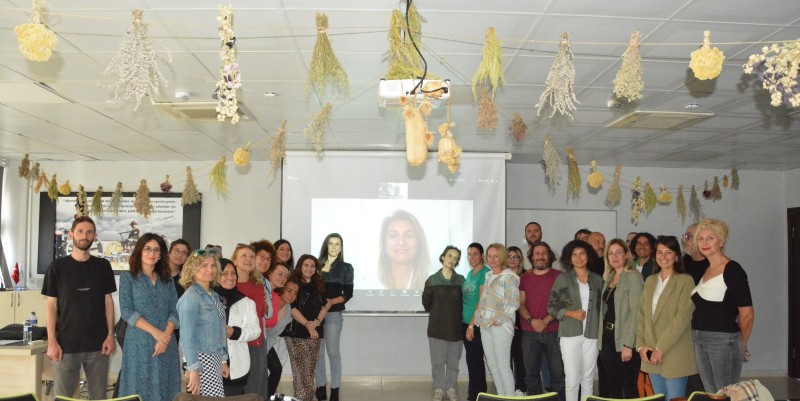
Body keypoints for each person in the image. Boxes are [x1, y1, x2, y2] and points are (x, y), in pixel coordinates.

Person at [42, 216, 116, 400]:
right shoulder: (56, 267)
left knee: (99, 397)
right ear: (71, 234)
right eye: (80, 231)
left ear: (94, 237)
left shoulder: (103, 266)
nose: (85, 236)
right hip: (65, 345)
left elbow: (108, 301)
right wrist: (51, 341)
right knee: (63, 397)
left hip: (98, 345)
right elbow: (51, 305)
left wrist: (110, 335)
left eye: (89, 232)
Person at [691, 219, 754, 393]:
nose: (704, 242)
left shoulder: (733, 270)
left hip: (723, 340)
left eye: (710, 238)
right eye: (700, 238)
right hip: (699, 337)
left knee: (726, 392)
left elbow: (747, 314)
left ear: (721, 241)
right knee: (712, 393)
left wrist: (741, 344)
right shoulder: (707, 269)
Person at [118, 234, 180, 401]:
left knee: (166, 387)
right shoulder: (128, 278)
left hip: (166, 344)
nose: (152, 253)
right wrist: (156, 333)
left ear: (161, 254)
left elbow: (175, 311)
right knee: (138, 387)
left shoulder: (167, 280)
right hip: (139, 344)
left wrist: (164, 337)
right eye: (147, 249)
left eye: (156, 250)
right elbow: (127, 311)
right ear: (139, 251)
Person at [637, 236, 697, 401]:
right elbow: (641, 316)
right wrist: (641, 346)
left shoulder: (685, 281)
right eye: (659, 252)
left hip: (674, 350)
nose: (663, 256)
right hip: (650, 351)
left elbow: (682, 318)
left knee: (674, 398)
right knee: (659, 397)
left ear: (676, 256)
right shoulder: (650, 281)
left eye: (668, 252)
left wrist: (660, 348)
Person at [548, 240, 602, 401]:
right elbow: (552, 306)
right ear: (569, 258)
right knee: (572, 380)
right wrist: (571, 313)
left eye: (582, 253)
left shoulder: (597, 279)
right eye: (574, 254)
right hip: (570, 334)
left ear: (588, 256)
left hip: (592, 334)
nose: (578, 258)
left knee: (587, 379)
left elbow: (602, 307)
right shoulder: (563, 278)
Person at [470, 243, 520, 397]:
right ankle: (501, 396)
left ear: (502, 257)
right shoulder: (488, 276)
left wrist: (498, 320)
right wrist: (476, 321)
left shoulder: (509, 277)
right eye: (490, 256)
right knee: (492, 366)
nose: (492, 259)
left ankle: (509, 398)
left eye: (496, 256)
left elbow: (514, 303)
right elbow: (483, 301)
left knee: (503, 366)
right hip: (485, 326)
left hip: (501, 327)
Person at [177, 250, 229, 396]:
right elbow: (186, 337)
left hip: (214, 358)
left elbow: (220, 330)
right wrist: (193, 369)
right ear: (193, 269)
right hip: (200, 360)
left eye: (213, 265)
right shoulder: (191, 296)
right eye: (204, 265)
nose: (210, 269)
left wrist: (222, 360)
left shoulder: (213, 295)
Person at [597, 239, 643, 399]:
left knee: (628, 387)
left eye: (618, 252)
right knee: (612, 386)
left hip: (624, 339)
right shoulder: (609, 277)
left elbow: (637, 313)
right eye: (610, 253)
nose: (614, 256)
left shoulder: (633, 277)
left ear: (626, 255)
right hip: (607, 339)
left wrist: (628, 345)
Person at [518, 241, 565, 401]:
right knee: (531, 376)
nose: (541, 256)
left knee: (558, 374)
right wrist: (532, 321)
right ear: (531, 257)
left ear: (549, 256)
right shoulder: (524, 278)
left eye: (544, 253)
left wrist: (546, 320)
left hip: (554, 332)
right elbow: (520, 303)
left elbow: (562, 302)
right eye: (537, 253)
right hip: (529, 333)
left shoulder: (559, 276)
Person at [423, 246, 466, 401]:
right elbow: (426, 303)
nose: (452, 260)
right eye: (450, 256)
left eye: (455, 258)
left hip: (456, 329)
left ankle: (450, 388)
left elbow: (466, 302)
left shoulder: (461, 280)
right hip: (437, 329)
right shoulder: (432, 280)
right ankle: (439, 389)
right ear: (443, 257)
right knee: (438, 363)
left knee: (453, 363)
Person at [315, 233, 354, 401]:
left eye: (337, 244)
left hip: (333, 314)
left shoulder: (346, 268)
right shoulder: (316, 266)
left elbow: (348, 293)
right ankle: (320, 386)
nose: (334, 247)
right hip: (316, 315)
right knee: (318, 353)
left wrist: (331, 303)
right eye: (331, 243)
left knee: (333, 352)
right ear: (326, 246)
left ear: (341, 248)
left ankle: (335, 388)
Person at [214, 258, 261, 396]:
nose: (230, 277)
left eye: (233, 273)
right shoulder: (206, 299)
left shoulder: (246, 302)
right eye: (224, 273)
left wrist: (235, 332)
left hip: (237, 367)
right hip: (209, 365)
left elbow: (255, 331)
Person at [285, 256, 329, 401]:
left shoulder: (319, 285)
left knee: (309, 372)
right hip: (296, 333)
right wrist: (308, 325)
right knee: (300, 373)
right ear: (300, 266)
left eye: (312, 266)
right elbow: (292, 308)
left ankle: (309, 398)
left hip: (315, 332)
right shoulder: (292, 284)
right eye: (306, 265)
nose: (309, 269)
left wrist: (316, 322)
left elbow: (325, 306)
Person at [233, 243, 269, 400]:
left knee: (255, 388)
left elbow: (259, 314)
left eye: (252, 256)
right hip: (234, 343)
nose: (248, 259)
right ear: (234, 260)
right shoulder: (227, 283)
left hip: (255, 342)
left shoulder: (258, 285)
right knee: (234, 390)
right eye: (244, 255)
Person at [377, 210, 432, 291]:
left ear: (419, 244)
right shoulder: (368, 283)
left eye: (409, 235)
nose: (401, 242)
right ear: (384, 244)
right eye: (393, 235)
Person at [462, 243, 489, 401]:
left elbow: (481, 302)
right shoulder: (470, 273)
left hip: (476, 325)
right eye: (469, 254)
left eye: (475, 254)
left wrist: (472, 325)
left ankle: (478, 395)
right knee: (471, 360)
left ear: (482, 255)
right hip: (465, 323)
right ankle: (473, 393)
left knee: (476, 360)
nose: (471, 257)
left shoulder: (485, 273)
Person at [262, 260, 290, 397]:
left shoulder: (274, 295)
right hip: (253, 340)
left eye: (286, 276)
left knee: (276, 369)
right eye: (280, 274)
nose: (283, 278)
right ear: (270, 273)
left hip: (264, 340)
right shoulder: (262, 291)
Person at [506, 246, 527, 395]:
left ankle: (521, 389)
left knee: (520, 358)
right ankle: (509, 389)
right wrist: (508, 320)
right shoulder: (501, 276)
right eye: (509, 256)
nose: (512, 259)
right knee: (506, 359)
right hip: (505, 323)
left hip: (522, 323)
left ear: (520, 260)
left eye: (516, 257)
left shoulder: (526, 276)